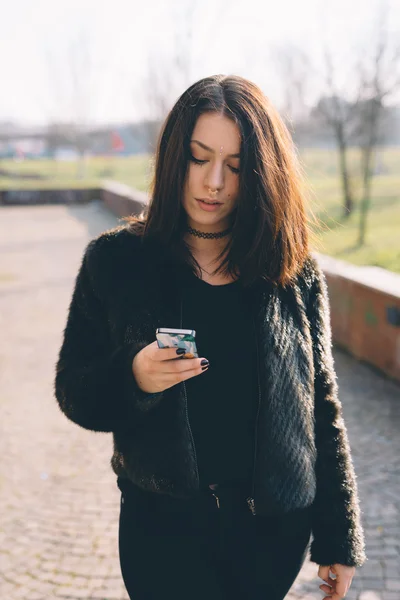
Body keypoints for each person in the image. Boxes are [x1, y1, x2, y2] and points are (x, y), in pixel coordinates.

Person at [54, 74, 367, 600]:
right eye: (199, 158)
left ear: (263, 173)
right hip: (162, 534)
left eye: (237, 166)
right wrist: (133, 375)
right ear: (175, 155)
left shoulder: (293, 271)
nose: (214, 182)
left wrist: (339, 537)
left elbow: (323, 411)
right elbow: (75, 392)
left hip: (272, 538)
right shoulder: (116, 262)